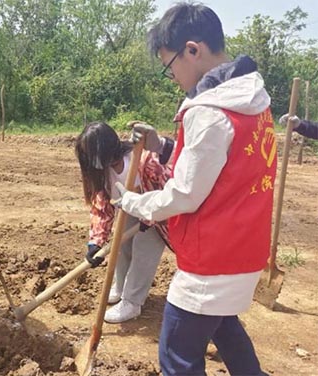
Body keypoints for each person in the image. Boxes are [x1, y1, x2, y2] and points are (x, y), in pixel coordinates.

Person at [112, 3, 274, 375]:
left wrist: (134, 202)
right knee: (225, 325)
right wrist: (164, 144)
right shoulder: (252, 99)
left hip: (210, 259)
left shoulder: (209, 111)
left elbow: (185, 193)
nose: (173, 77)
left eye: (170, 67)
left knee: (177, 356)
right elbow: (223, 165)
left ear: (192, 49)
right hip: (244, 248)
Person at [74, 121, 173, 323]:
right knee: (122, 246)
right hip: (130, 210)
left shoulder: (143, 160)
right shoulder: (103, 173)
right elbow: (101, 207)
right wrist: (96, 243)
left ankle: (132, 301)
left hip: (159, 215)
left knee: (143, 251)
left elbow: (169, 189)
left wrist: (150, 216)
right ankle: (120, 287)